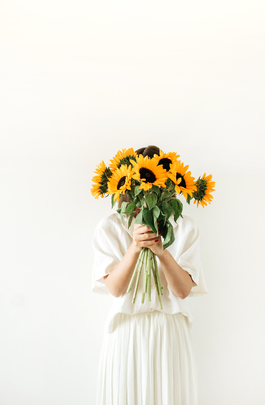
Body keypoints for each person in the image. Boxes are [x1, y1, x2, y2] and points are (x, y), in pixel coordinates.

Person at [92, 145, 208, 405]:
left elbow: (182, 291)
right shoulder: (110, 227)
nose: (148, 188)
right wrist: (135, 246)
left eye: (159, 183)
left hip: (169, 328)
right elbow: (116, 289)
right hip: (126, 329)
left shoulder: (185, 227)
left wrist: (161, 251)